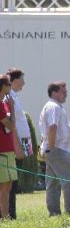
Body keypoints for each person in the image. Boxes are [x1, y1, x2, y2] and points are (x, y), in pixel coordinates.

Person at [39, 81, 70, 216]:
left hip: (54, 149)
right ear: (54, 93)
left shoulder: (55, 106)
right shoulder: (53, 107)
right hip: (57, 149)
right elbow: (52, 127)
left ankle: (54, 213)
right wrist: (51, 147)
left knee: (53, 183)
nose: (66, 94)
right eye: (63, 92)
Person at [7, 68, 32, 219]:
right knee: (10, 182)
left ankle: (11, 211)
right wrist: (18, 147)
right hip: (13, 145)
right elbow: (12, 125)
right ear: (15, 80)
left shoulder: (14, 97)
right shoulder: (9, 98)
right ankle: (10, 213)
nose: (24, 82)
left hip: (19, 143)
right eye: (22, 79)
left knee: (14, 181)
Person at [0, 76, 17, 219]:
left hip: (8, 148)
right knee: (5, 185)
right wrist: (12, 107)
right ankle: (5, 217)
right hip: (3, 150)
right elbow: (11, 126)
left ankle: (5, 216)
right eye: (9, 84)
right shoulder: (1, 105)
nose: (11, 86)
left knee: (8, 184)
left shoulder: (3, 103)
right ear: (3, 86)